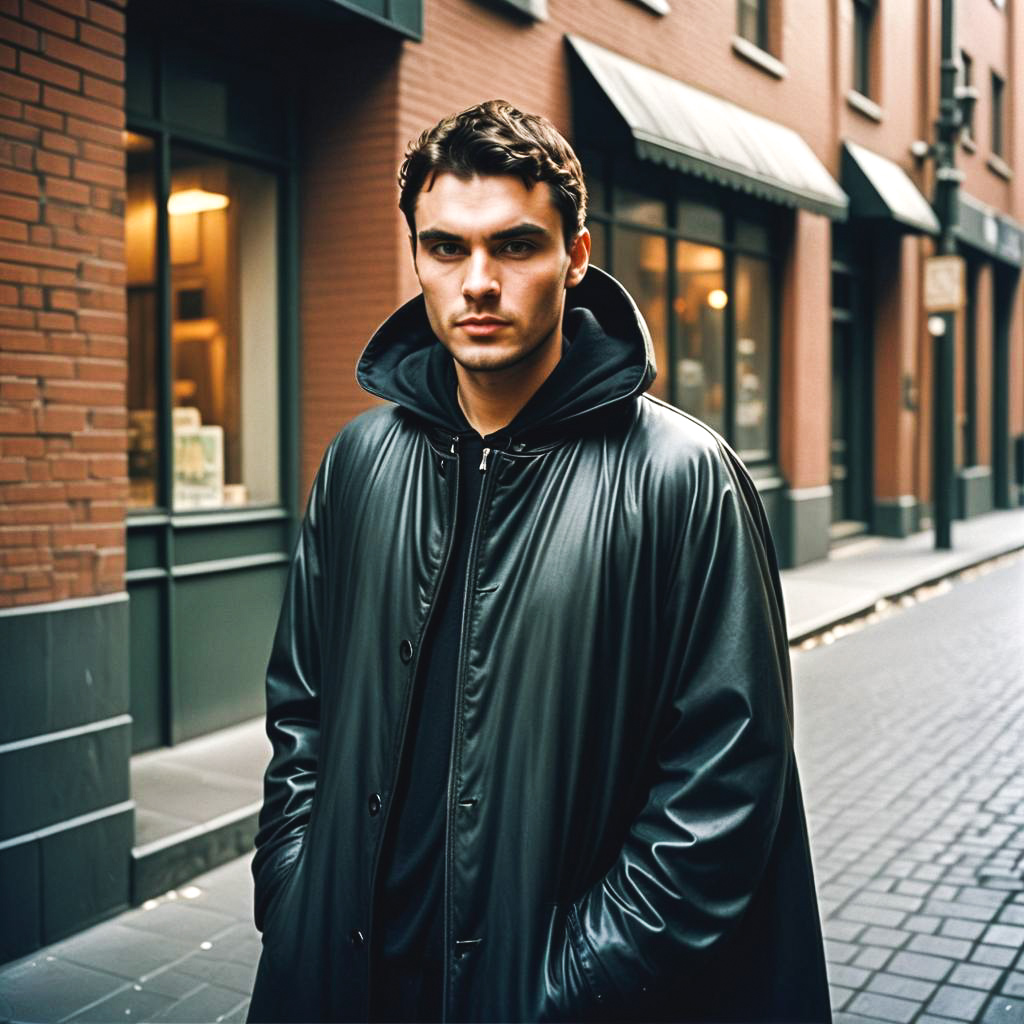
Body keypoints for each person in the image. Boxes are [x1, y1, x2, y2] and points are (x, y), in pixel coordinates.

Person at [247, 100, 830, 1024]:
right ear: (416, 258)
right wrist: (293, 889)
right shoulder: (359, 461)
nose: (477, 282)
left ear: (577, 256)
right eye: (445, 249)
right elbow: (303, 710)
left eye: (515, 247)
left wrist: (576, 980)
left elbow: (724, 786)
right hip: (342, 975)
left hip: (543, 994)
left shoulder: (681, 477)